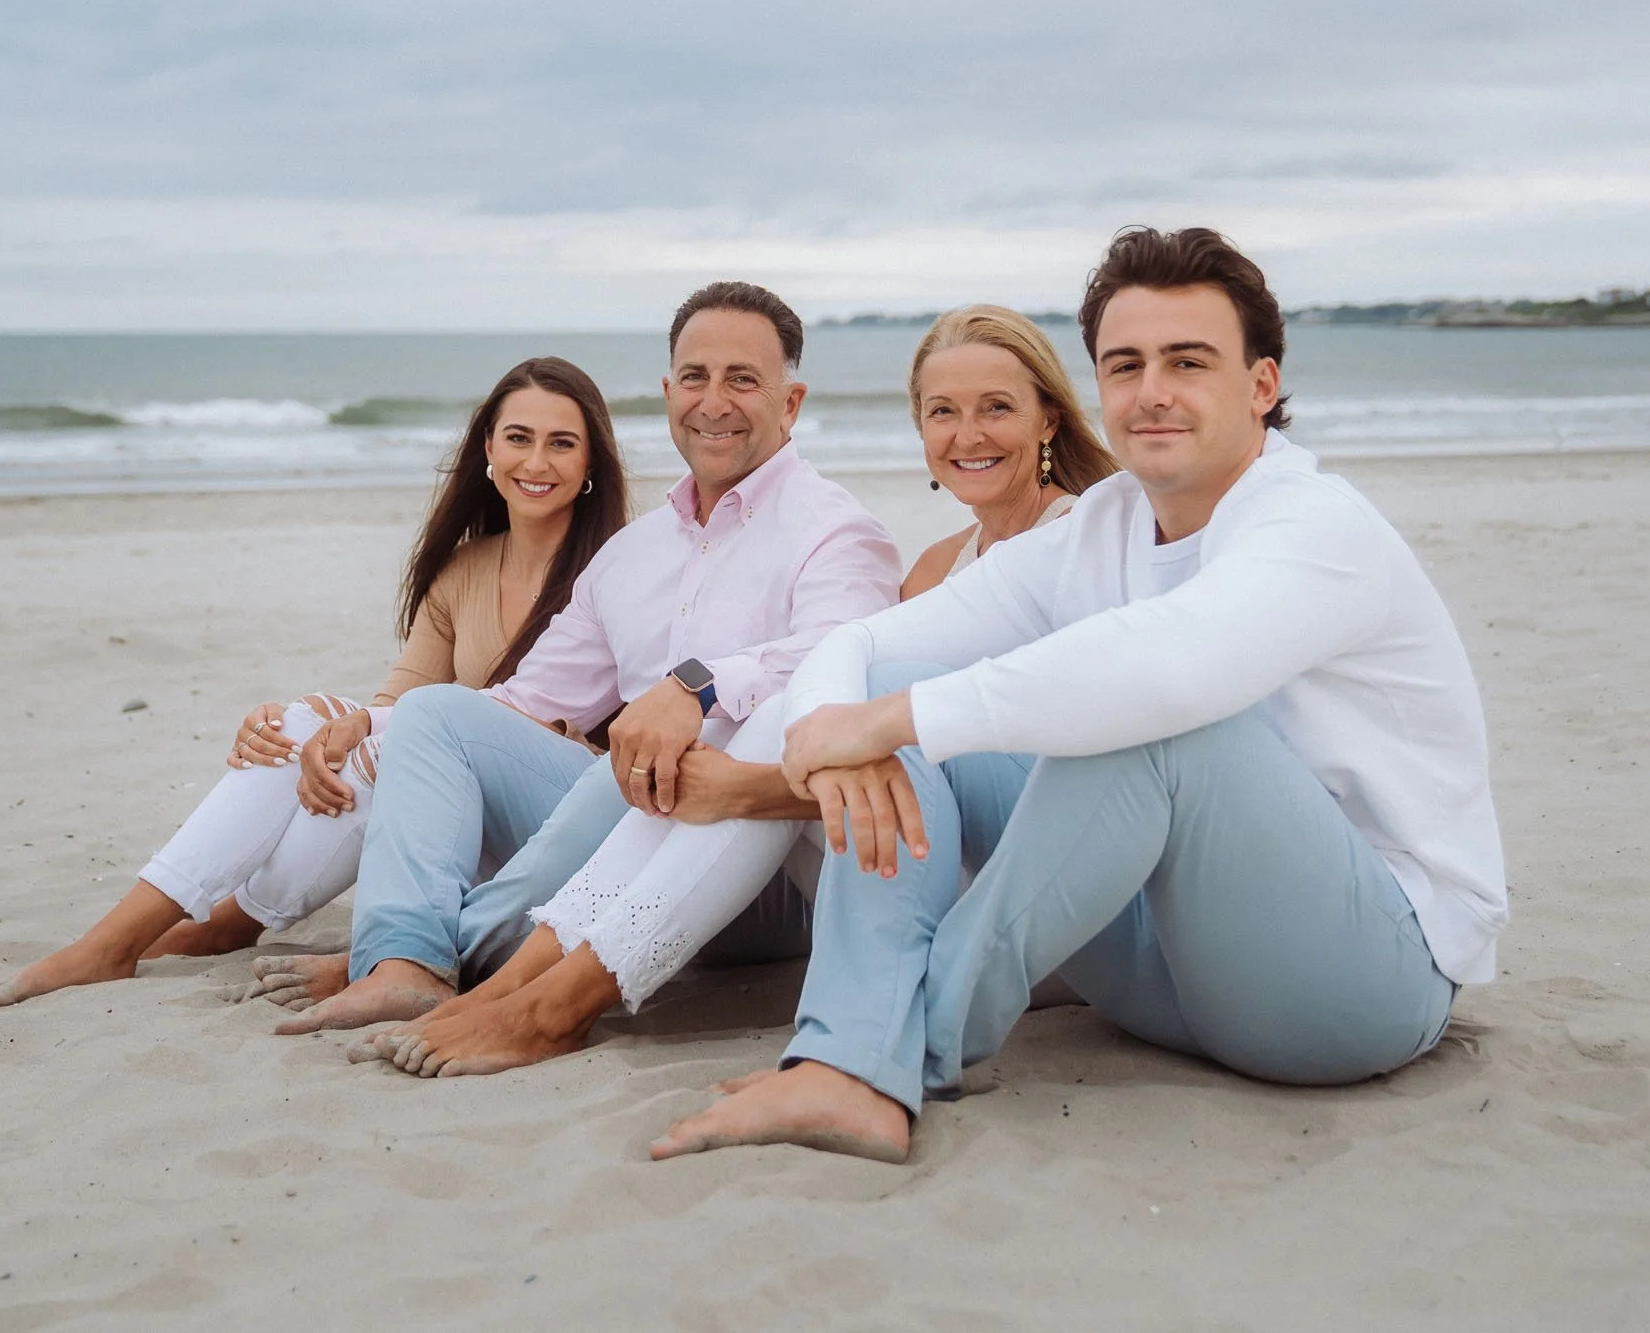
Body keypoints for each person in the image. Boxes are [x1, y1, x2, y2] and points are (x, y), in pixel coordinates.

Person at [651, 227, 1509, 1162]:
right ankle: (848, 1059)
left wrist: (890, 718)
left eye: (1189, 361)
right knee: (895, 692)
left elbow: (1169, 667)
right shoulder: (1106, 525)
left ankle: (899, 1049)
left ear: (1261, 385)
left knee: (1162, 728)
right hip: (1169, 974)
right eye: (1126, 363)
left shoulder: (1314, 524)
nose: (1152, 391)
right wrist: (830, 722)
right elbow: (864, 641)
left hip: (1354, 983)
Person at [359, 306, 1118, 1078]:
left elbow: (980, 762)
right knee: (709, 729)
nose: (968, 434)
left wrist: (733, 770)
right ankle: (503, 980)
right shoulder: (932, 570)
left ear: (1048, 415)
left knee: (751, 714)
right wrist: (346, 732)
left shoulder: (1076, 542)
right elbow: (525, 703)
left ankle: (544, 995)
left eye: (996, 408)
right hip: (891, 854)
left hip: (1015, 881)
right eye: (942, 412)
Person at [249, 281, 904, 1035]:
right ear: (667, 391)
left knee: (636, 771)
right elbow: (525, 701)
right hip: (634, 829)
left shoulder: (836, 530)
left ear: (790, 403)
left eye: (743, 379)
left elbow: (840, 659)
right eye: (694, 377)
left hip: (766, 857)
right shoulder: (632, 555)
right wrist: (367, 723)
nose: (713, 400)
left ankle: (430, 950)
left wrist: (696, 687)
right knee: (440, 714)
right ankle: (406, 963)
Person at [0, 357, 628, 1007]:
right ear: (488, 446)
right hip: (449, 823)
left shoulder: (622, 570)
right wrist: (310, 735)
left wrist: (364, 735)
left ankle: (215, 925)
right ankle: (157, 932)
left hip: (562, 827)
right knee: (306, 724)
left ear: (591, 459)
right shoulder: (461, 569)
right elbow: (397, 711)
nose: (536, 462)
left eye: (561, 443)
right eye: (519, 437)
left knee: (368, 737)